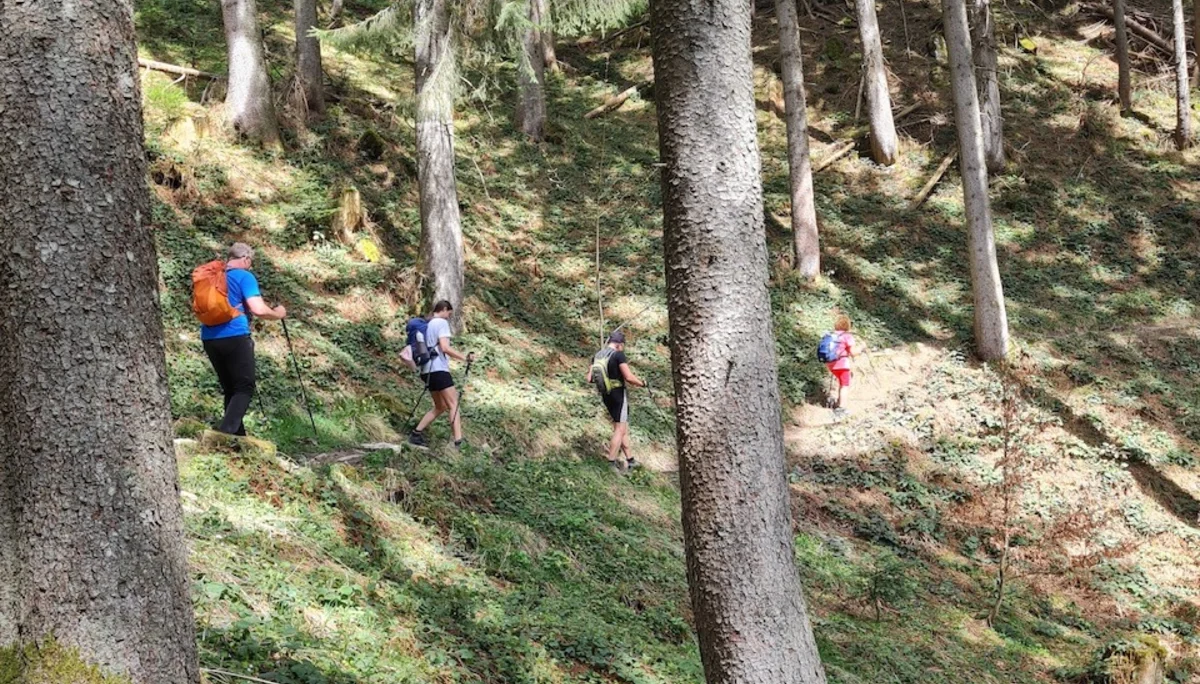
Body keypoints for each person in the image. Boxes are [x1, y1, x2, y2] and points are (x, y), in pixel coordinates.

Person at [201, 243, 286, 436]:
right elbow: (258, 309)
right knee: (244, 387)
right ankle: (225, 435)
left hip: (209, 337)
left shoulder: (214, 276)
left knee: (231, 388)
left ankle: (237, 439)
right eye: (251, 262)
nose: (251, 266)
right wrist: (278, 313)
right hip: (235, 335)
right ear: (246, 258)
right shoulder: (244, 276)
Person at [408, 300, 474, 449]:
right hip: (438, 369)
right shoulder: (441, 323)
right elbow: (445, 347)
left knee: (441, 406)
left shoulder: (427, 324)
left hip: (426, 370)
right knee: (453, 404)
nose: (448, 317)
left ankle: (416, 433)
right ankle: (458, 443)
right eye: (448, 314)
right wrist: (465, 358)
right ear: (444, 309)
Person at [586, 330, 647, 472]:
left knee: (621, 426)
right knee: (619, 429)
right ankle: (611, 462)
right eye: (623, 345)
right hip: (618, 395)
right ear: (619, 344)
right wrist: (643, 383)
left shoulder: (597, 355)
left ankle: (630, 460)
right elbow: (629, 377)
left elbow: (589, 379)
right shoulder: (618, 355)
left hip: (606, 394)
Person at [825, 314, 858, 417]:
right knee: (844, 385)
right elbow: (853, 352)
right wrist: (862, 348)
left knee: (841, 382)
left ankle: (837, 401)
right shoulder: (847, 336)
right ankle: (841, 408)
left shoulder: (831, 335)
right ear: (848, 326)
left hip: (831, 364)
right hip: (842, 364)